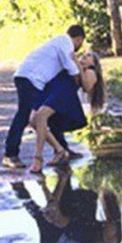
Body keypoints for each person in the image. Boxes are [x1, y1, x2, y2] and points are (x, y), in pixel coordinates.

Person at [3, 25, 85, 169]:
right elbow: (70, 67)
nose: (79, 46)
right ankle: (10, 154)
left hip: (32, 79)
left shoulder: (59, 42)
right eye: (81, 43)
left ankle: (62, 149)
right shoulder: (64, 42)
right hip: (29, 79)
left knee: (48, 114)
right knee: (25, 115)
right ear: (79, 39)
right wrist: (80, 79)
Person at [11, 171, 122, 243]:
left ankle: (21, 186)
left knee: (46, 216)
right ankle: (19, 187)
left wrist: (106, 242)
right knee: (41, 215)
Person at [28, 51, 106, 174]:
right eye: (83, 55)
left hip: (63, 97)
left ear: (94, 63)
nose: (84, 56)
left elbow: (86, 87)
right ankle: (59, 149)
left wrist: (79, 66)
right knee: (33, 121)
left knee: (41, 117)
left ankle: (38, 158)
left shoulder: (91, 72)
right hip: (51, 92)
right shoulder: (73, 65)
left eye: (89, 56)